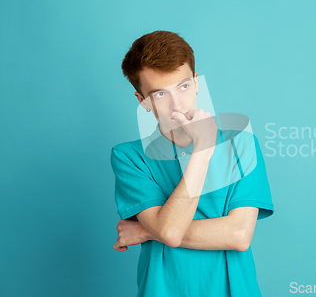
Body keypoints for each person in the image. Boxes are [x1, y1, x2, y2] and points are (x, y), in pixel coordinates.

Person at [110, 30, 274, 297]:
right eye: (160, 94)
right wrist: (203, 149)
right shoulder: (129, 157)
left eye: (183, 86)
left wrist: (148, 231)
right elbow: (171, 232)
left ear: (197, 83)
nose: (178, 104)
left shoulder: (242, 145)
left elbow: (239, 235)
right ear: (144, 102)